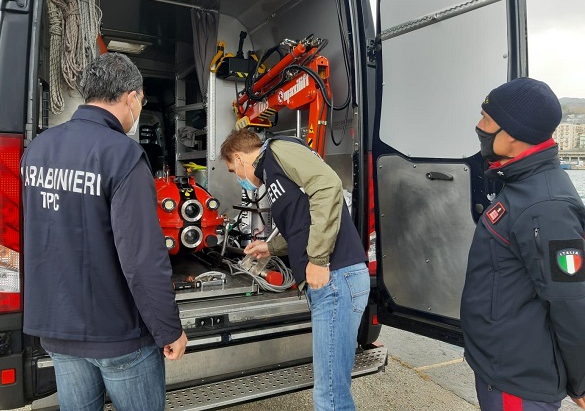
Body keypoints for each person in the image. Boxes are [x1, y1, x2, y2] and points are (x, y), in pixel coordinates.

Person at [21, 53, 188, 411]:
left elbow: (34, 233)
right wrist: (167, 328)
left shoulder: (37, 149)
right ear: (130, 97)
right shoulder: (122, 155)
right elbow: (142, 256)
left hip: (58, 331)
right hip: (118, 335)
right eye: (140, 101)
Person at [220, 130, 369, 411]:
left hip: (336, 278)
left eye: (232, 170)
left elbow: (327, 185)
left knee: (330, 397)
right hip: (336, 281)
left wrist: (319, 259)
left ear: (239, 158)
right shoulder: (275, 170)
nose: (236, 176)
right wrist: (271, 246)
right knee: (332, 390)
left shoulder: (277, 150)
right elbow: (305, 220)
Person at [461, 77, 585, 411]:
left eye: (487, 120)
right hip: (500, 365)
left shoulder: (546, 206)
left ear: (514, 133)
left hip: (519, 381)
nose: (479, 126)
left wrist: (581, 381)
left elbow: (570, 301)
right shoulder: (521, 184)